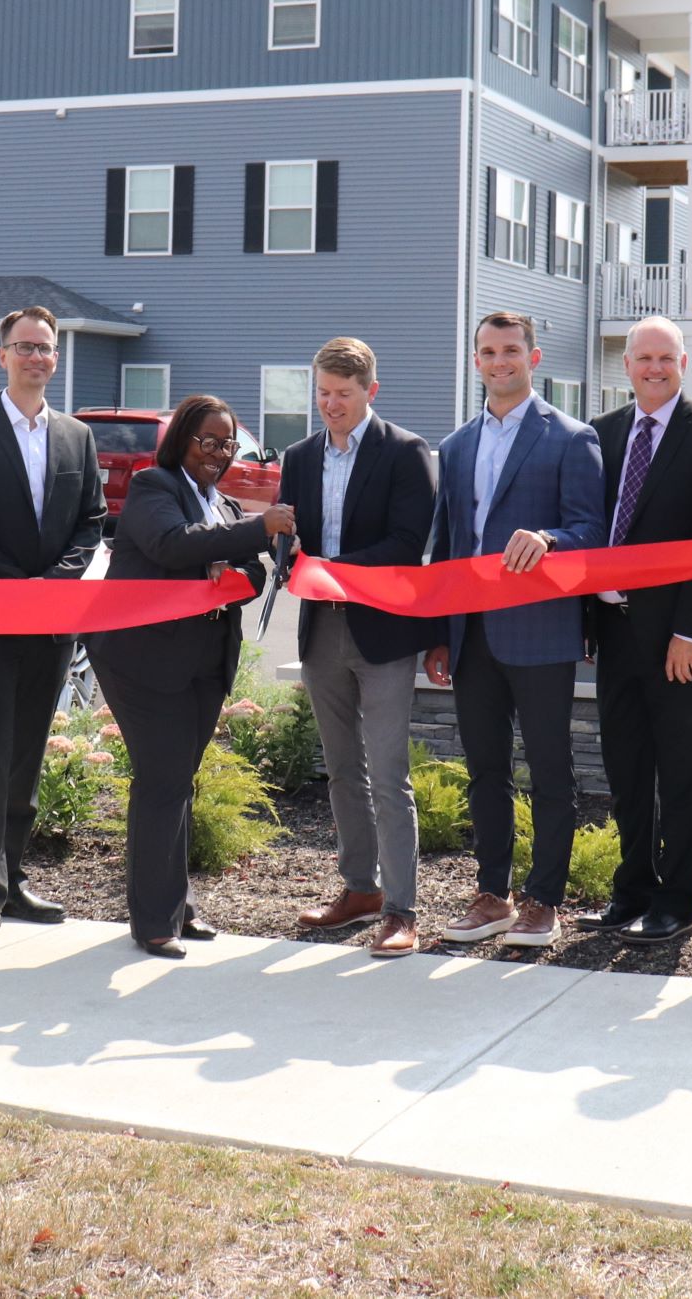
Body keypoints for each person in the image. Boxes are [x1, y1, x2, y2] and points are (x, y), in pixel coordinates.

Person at [85, 394, 292, 958]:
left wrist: (234, 557)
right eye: (207, 440)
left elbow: (249, 573)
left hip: (201, 662)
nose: (218, 453)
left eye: (227, 444)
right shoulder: (156, 486)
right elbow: (169, 544)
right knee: (161, 781)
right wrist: (254, 531)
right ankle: (153, 921)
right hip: (141, 659)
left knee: (179, 780)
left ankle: (178, 907)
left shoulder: (222, 504)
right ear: (181, 440)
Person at [423, 312, 605, 950]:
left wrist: (550, 538)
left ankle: (544, 899)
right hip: (471, 636)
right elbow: (447, 546)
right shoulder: (455, 446)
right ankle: (492, 893)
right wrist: (440, 635)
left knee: (550, 769)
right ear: (476, 360)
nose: (500, 362)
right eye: (488, 352)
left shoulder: (572, 437)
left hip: (542, 633)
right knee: (485, 770)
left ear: (534, 356)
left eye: (511, 351)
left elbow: (594, 533)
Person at [0, 305, 105, 944]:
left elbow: (90, 521)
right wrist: (15, 586)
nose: (35, 356)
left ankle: (14, 877)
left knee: (28, 757)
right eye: (24, 346)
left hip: (53, 622)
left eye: (45, 347)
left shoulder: (76, 435)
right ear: (2, 355)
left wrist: (55, 584)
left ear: (55, 357)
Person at [583, 318, 692, 947]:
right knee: (627, 771)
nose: (654, 368)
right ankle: (632, 892)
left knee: (684, 773)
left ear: (685, 362)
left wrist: (691, 632)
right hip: (616, 631)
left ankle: (676, 901)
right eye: (642, 358)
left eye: (666, 358)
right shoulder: (602, 434)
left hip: (686, 643)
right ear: (625, 365)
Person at [279, 338, 437, 957]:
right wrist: (287, 556)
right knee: (342, 768)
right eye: (322, 393)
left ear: (370, 391)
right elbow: (289, 541)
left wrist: (333, 568)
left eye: (343, 394)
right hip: (321, 631)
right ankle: (359, 890)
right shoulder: (299, 456)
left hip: (382, 632)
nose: (330, 405)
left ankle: (402, 911)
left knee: (388, 775)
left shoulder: (404, 452)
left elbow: (406, 541)